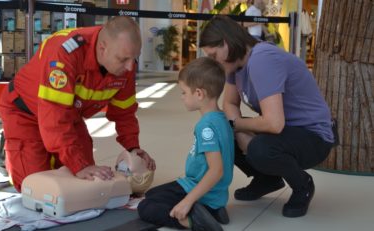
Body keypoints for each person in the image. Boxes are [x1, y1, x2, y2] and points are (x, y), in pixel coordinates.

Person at [0, 16, 156, 192]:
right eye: (123, 59)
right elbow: (54, 117)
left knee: (87, 181)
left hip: (69, 114)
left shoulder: (125, 65)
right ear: (102, 48)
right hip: (26, 112)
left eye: (134, 59)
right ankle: (9, 152)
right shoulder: (64, 54)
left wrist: (133, 147)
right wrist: (78, 165)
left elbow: (124, 112)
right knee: (36, 187)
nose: (129, 67)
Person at [200, 15, 334, 218]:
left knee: (260, 148)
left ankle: (302, 185)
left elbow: (274, 123)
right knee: (219, 130)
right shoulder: (233, 65)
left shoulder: (262, 59)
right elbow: (229, 103)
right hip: (286, 132)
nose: (212, 63)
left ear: (226, 44)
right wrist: (240, 132)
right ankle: (267, 179)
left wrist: (238, 126)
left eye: (212, 55)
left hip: (313, 137)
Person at [138, 57, 235, 231]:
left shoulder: (206, 126)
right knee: (153, 193)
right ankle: (213, 210)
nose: (182, 97)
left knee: (146, 207)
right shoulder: (222, 119)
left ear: (199, 93)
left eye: (184, 92)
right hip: (217, 195)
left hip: (199, 189)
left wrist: (187, 201)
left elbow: (216, 170)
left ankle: (194, 220)